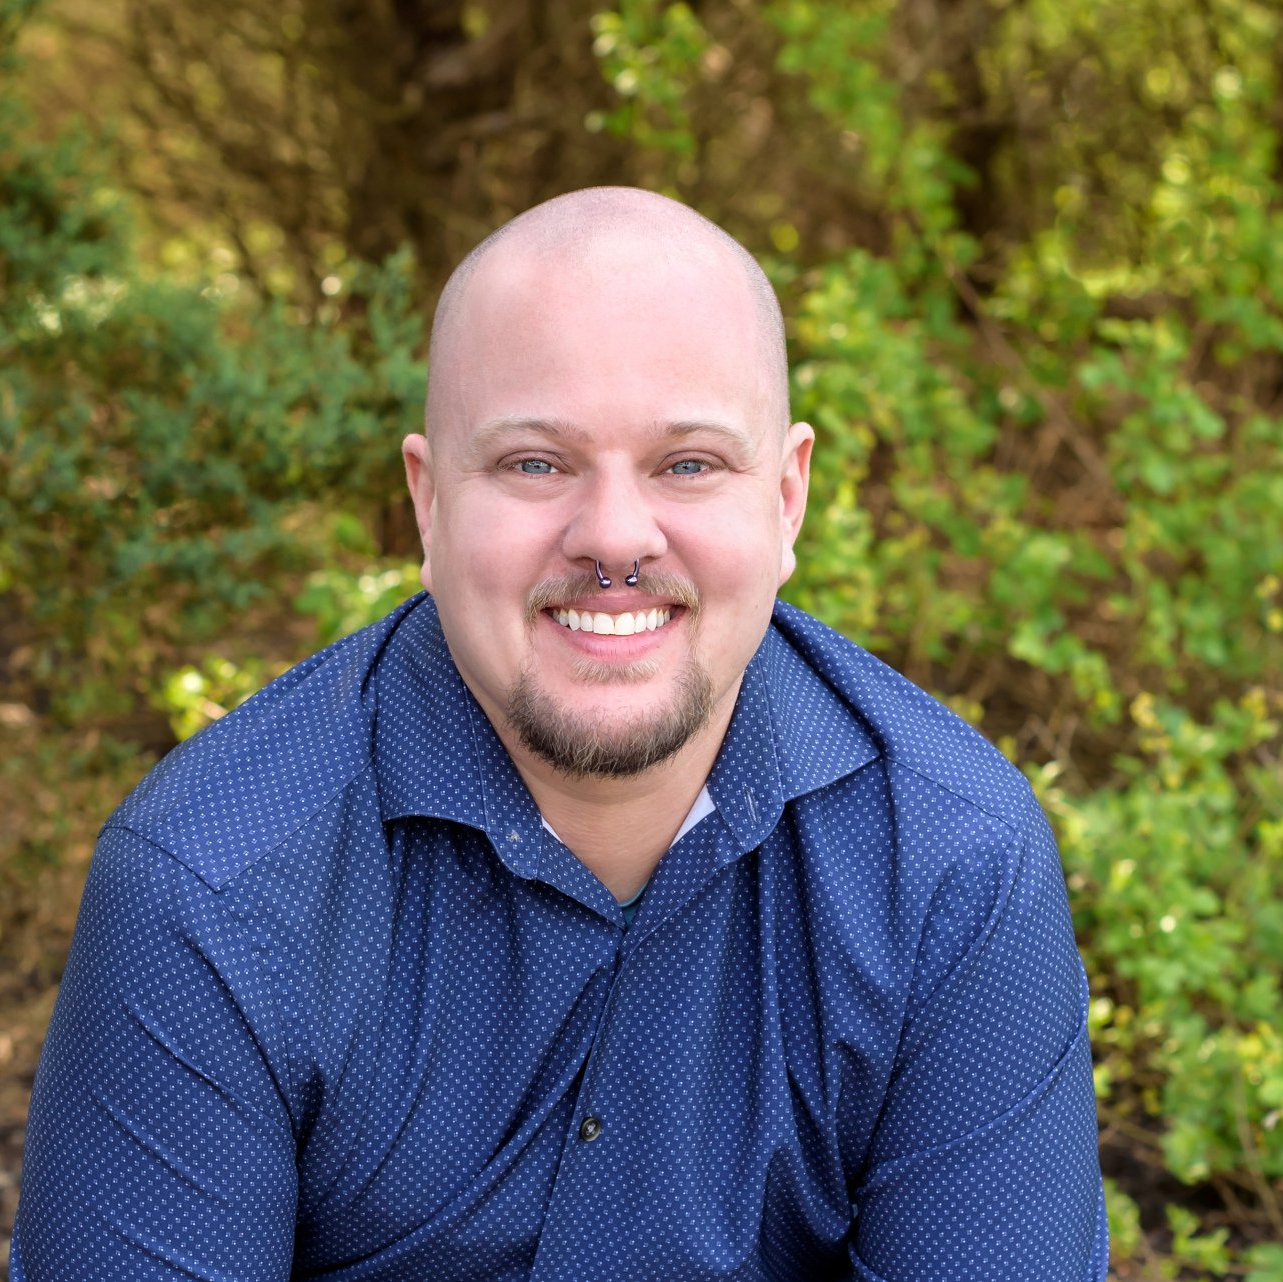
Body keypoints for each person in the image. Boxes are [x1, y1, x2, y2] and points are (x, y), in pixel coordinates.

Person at [13, 187, 1109, 1281]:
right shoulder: (209, 883)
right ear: (428, 502)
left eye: (688, 463)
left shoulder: (953, 866)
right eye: (536, 463)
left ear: (786, 499)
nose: (615, 537)